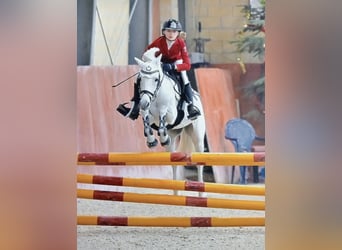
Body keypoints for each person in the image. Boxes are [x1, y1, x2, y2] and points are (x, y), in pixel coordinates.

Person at [117, 18, 201, 121]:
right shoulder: (159, 41)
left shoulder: (180, 43)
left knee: (184, 77)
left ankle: (191, 106)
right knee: (140, 76)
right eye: (168, 31)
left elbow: (187, 65)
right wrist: (151, 62)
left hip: (176, 63)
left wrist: (173, 67)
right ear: (164, 32)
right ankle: (135, 105)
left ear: (178, 33)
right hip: (160, 63)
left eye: (174, 31)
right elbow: (146, 53)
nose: (171, 34)